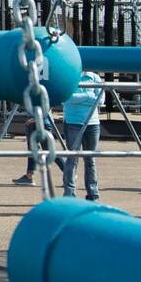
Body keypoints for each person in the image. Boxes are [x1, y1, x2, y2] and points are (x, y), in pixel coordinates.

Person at [60, 70, 103, 202]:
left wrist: (79, 97)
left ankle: (93, 194)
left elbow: (100, 100)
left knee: (90, 160)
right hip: (73, 122)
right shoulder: (68, 75)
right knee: (73, 159)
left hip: (93, 123)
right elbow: (66, 99)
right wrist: (89, 96)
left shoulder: (95, 77)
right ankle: (69, 193)